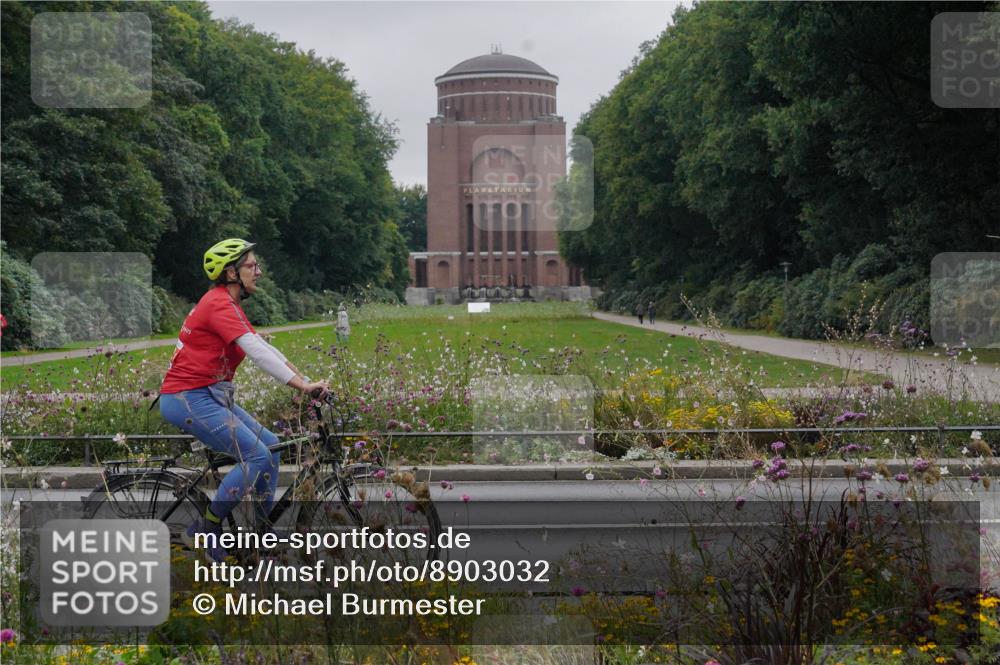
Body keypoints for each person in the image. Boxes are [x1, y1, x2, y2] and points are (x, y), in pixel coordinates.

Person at [158, 238, 328, 561]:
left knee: (271, 447)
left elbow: (264, 349)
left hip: (209, 395)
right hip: (188, 397)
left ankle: (261, 530)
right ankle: (206, 529)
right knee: (256, 456)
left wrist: (306, 382)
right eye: (252, 265)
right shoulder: (218, 304)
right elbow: (257, 355)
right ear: (232, 272)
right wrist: (302, 387)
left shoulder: (230, 305)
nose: (259, 272)